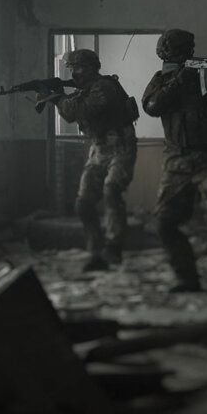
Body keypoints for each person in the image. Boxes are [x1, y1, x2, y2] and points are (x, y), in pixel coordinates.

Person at [141, 28, 207, 294]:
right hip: (176, 159)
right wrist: (180, 80)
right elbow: (152, 107)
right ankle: (186, 278)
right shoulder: (162, 79)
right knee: (164, 222)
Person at [42, 49, 138, 271]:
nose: (75, 73)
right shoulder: (85, 90)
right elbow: (70, 112)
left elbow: (77, 112)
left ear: (93, 67)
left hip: (120, 146)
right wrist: (55, 96)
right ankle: (96, 251)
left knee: (111, 191)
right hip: (99, 148)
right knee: (84, 203)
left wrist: (56, 96)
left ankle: (114, 246)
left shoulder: (104, 87)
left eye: (80, 67)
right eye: (72, 68)